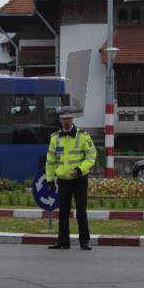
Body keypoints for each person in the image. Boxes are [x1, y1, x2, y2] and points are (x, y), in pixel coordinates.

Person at [45, 106, 97, 251]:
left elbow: (91, 156)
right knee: (63, 213)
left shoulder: (83, 136)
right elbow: (50, 161)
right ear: (60, 120)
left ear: (73, 119)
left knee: (81, 212)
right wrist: (50, 180)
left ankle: (84, 241)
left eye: (69, 118)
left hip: (80, 180)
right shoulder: (54, 138)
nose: (66, 121)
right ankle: (63, 241)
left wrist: (80, 170)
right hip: (63, 180)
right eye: (63, 119)